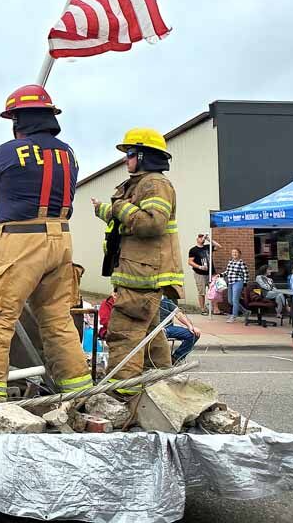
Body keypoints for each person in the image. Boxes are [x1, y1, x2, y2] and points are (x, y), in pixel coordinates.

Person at [0, 85, 90, 402]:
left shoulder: (8, 151)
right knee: (58, 318)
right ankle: (79, 392)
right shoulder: (68, 153)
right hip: (61, 239)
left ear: (18, 120)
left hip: (21, 240)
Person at [91, 127, 182, 395]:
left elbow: (151, 223)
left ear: (143, 156)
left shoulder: (155, 184)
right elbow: (128, 223)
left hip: (142, 275)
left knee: (124, 336)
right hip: (139, 273)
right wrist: (104, 211)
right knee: (152, 339)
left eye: (129, 153)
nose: (125, 159)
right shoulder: (142, 184)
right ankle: (163, 391)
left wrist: (117, 207)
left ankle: (122, 398)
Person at [159, 297, 201, 363]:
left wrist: (190, 326)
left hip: (168, 328)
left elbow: (178, 314)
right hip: (153, 329)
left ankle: (175, 358)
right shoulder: (147, 299)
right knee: (160, 334)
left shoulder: (165, 299)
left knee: (193, 334)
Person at [188, 233, 221, 315]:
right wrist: (199, 267)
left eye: (202, 237)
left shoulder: (207, 247)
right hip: (200, 274)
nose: (202, 239)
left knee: (214, 291)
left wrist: (209, 239)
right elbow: (190, 262)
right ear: (197, 239)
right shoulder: (193, 250)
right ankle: (203, 309)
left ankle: (215, 309)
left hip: (211, 273)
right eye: (200, 238)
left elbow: (219, 247)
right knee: (202, 292)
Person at [220, 248, 249, 323]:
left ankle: (234, 316)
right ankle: (246, 312)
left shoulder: (241, 263)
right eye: (233, 252)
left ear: (239, 254)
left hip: (238, 282)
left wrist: (245, 283)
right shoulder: (230, 262)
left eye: (236, 252)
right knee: (230, 301)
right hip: (230, 282)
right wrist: (220, 275)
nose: (234, 254)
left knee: (235, 300)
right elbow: (227, 272)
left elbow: (246, 273)